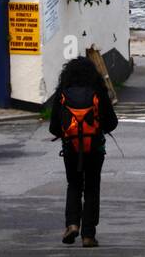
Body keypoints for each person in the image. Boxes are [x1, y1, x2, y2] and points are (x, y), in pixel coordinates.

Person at [49, 55, 118, 247]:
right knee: (92, 188)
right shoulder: (98, 91)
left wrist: (68, 132)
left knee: (74, 185)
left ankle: (72, 224)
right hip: (95, 147)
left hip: (71, 148)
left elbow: (54, 128)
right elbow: (112, 123)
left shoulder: (64, 92)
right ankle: (88, 235)